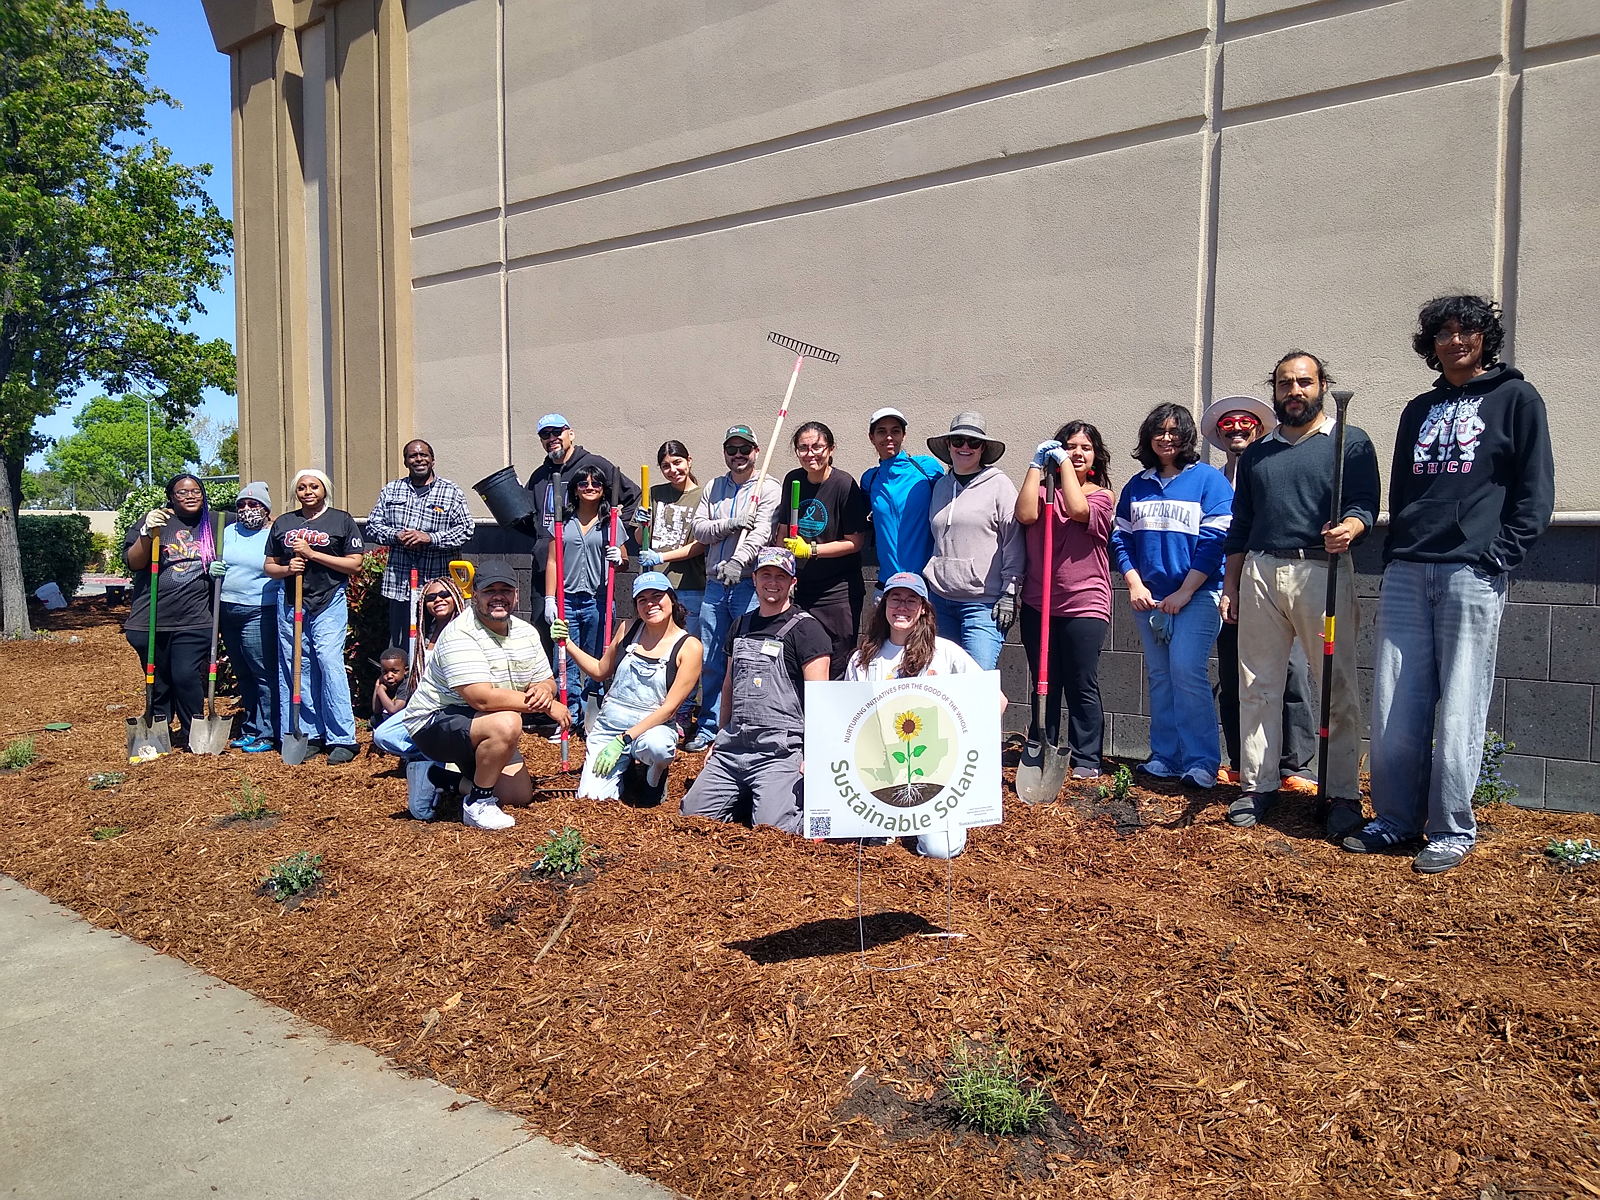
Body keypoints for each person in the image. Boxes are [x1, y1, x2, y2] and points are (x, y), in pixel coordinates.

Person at [1344, 296, 1554, 873]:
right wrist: (1396, 551)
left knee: (1461, 704)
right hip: (1409, 568)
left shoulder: (1517, 398)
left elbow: (1535, 491)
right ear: (1430, 345)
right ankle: (1394, 818)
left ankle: (1452, 829)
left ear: (1485, 338)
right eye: (1443, 333)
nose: (1455, 341)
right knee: (1395, 703)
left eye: (1467, 331)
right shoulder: (1419, 408)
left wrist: (1498, 556)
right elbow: (1403, 490)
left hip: (1471, 570)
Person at [1221, 352, 1380, 834]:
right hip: (1261, 571)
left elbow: (1364, 505)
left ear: (1322, 385)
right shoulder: (1258, 453)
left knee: (1336, 685)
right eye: (1285, 383)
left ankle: (1341, 793)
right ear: (1274, 391)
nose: (1294, 391)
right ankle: (1258, 785)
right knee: (1257, 685)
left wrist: (1350, 529)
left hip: (1323, 570)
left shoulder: (1349, 441)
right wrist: (1231, 585)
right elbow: (1241, 524)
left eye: (1304, 382)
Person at [1110, 404, 1232, 790]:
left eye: (1174, 431)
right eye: (1159, 431)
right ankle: (1165, 756)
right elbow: (1121, 539)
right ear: (1148, 437)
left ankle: (1201, 762)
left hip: (1198, 595)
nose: (1166, 438)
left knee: (1186, 670)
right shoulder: (1137, 485)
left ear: (1187, 437)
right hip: (1150, 599)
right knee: (1161, 676)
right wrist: (1134, 584)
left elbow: (1215, 542)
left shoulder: (1209, 481)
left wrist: (1184, 592)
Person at [1201, 396, 1318, 792]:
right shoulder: (1212, 481)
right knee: (1235, 676)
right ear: (1219, 434)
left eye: (1244, 423)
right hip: (1227, 589)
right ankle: (1241, 761)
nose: (1236, 429)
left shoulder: (1272, 468)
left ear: (1258, 428)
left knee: (1293, 671)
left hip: (1276, 583)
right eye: (1228, 424)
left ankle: (1294, 765)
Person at [402, 562, 568, 829]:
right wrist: (548, 707)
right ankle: (478, 803)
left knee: (518, 795)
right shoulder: (460, 633)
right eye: (490, 591)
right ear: (475, 595)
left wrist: (545, 691)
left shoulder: (526, 633)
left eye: (506, 590)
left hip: (482, 722)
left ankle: (437, 778)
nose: (498, 597)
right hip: (434, 723)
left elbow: (546, 680)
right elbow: (481, 698)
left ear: (516, 595)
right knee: (508, 722)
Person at [680, 547, 831, 833]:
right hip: (733, 748)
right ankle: (745, 798)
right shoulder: (741, 625)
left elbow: (820, 700)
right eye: (765, 575)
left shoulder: (808, 630)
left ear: (792, 582)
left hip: (780, 752)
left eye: (780, 576)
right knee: (691, 818)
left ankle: (773, 801)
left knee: (773, 831)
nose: (772, 583)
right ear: (754, 579)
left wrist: (814, 754)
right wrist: (719, 739)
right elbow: (728, 686)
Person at [845, 572, 985, 858]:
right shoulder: (863, 658)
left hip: (935, 769)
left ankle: (921, 824)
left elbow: (996, 700)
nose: (902, 607)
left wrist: (968, 744)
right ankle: (890, 821)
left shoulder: (945, 653)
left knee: (941, 849)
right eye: (895, 599)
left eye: (911, 600)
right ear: (884, 605)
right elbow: (846, 716)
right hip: (878, 769)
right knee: (863, 843)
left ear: (923, 609)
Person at [1015, 422, 1114, 780]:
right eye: (1070, 446)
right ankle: (1043, 744)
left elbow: (1077, 510)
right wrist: (1035, 465)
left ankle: (1087, 755)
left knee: (1080, 680)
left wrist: (1064, 466)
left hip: (1084, 602)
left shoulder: (1102, 496)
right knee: (1045, 680)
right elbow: (1025, 514)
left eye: (1085, 448)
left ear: (1096, 457)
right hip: (1038, 602)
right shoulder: (1044, 493)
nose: (1077, 453)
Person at [554, 571, 703, 804]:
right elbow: (600, 671)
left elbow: (669, 709)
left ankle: (653, 779)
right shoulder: (628, 629)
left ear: (672, 599)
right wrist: (568, 643)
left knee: (658, 748)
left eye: (657, 596)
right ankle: (626, 773)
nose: (650, 604)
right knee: (592, 799)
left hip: (652, 727)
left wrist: (623, 740)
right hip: (610, 726)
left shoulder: (689, 647)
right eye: (642, 599)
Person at [684, 423, 782, 751]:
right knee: (712, 659)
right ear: (725, 453)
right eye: (731, 449)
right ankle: (710, 725)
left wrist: (739, 561)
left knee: (747, 659)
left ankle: (744, 726)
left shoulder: (768, 487)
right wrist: (730, 524)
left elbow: (762, 532)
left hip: (747, 585)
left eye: (744, 449)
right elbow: (700, 529)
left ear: (756, 451)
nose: (738, 455)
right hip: (715, 585)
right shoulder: (714, 487)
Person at [264, 469, 365, 764]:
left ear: (324, 490)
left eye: (314, 486)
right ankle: (309, 733)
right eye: (302, 487)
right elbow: (269, 565)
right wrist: (287, 569)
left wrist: (312, 554)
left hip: (329, 598)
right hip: (291, 601)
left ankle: (342, 737)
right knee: (298, 665)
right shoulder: (284, 523)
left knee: (329, 661)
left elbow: (355, 564)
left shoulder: (341, 520)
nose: (308, 491)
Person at [122, 474, 219, 749]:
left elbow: (258, 521)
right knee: (159, 679)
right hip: (151, 618)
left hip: (195, 618)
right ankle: (159, 732)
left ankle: (193, 732)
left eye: (196, 491)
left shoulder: (215, 521)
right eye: (182, 492)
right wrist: (146, 533)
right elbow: (134, 562)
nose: (190, 496)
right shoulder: (156, 521)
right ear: (171, 497)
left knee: (186, 675)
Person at [923, 412, 1024, 670]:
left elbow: (1014, 540)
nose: (965, 447)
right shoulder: (940, 487)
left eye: (973, 442)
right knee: (942, 680)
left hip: (982, 605)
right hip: (940, 601)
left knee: (977, 681)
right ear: (949, 445)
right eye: (958, 441)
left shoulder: (999, 485)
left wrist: (1010, 591)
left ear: (983, 449)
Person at [772, 421, 868, 677]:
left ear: (830, 448)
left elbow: (854, 542)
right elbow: (783, 530)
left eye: (817, 447)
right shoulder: (793, 480)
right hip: (803, 589)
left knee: (837, 660)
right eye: (803, 448)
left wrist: (811, 550)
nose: (810, 453)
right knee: (804, 655)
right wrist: (781, 569)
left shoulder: (844, 485)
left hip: (838, 592)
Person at [362, 439, 474, 650]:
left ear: (433, 460)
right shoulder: (392, 490)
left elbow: (466, 530)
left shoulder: (451, 491)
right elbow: (373, 527)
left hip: (439, 587)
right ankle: (407, 673)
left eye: (424, 455)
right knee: (402, 647)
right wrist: (397, 536)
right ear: (406, 461)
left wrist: (430, 538)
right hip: (400, 585)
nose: (419, 459)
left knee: (442, 644)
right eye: (413, 456)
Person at [522, 413, 638, 609]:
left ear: (571, 434)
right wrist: (540, 542)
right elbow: (528, 517)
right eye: (545, 435)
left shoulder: (594, 465)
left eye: (557, 432)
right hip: (546, 572)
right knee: (546, 626)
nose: (552, 438)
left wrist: (613, 529)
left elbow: (633, 497)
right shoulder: (539, 476)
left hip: (590, 578)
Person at [543, 465, 627, 730]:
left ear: (603, 490)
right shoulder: (562, 521)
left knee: (596, 660)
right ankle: (569, 716)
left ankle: (593, 716)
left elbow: (624, 559)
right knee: (565, 660)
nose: (590, 488)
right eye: (583, 484)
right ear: (575, 490)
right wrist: (549, 598)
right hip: (566, 600)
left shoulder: (611, 522)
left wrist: (619, 558)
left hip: (598, 600)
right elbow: (552, 561)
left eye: (596, 483)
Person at [214, 481, 280, 753]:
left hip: (259, 609)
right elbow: (216, 558)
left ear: (265, 509)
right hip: (227, 608)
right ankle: (250, 727)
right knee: (242, 672)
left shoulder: (274, 534)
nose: (247, 509)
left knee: (261, 671)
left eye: (254, 504)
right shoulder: (228, 532)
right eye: (241, 504)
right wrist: (212, 567)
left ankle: (268, 731)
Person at [859, 407, 944, 581]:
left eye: (895, 431)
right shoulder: (870, 479)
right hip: (888, 582)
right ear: (871, 437)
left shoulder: (926, 468)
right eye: (881, 431)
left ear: (903, 435)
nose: (889, 437)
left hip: (924, 582)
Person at [634, 441, 707, 636]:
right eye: (666, 466)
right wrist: (642, 524)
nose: (673, 470)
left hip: (689, 586)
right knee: (658, 642)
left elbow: (701, 544)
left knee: (687, 641)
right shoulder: (654, 493)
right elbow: (640, 539)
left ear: (689, 461)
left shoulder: (704, 496)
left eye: (677, 462)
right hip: (654, 586)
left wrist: (661, 557)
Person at [372, 647, 409, 728]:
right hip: (393, 718)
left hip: (406, 720)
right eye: (385, 672)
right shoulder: (388, 684)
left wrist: (380, 690)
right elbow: (376, 710)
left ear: (406, 670)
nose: (389, 676)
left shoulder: (406, 684)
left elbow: (393, 710)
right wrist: (377, 685)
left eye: (394, 671)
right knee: (375, 719)